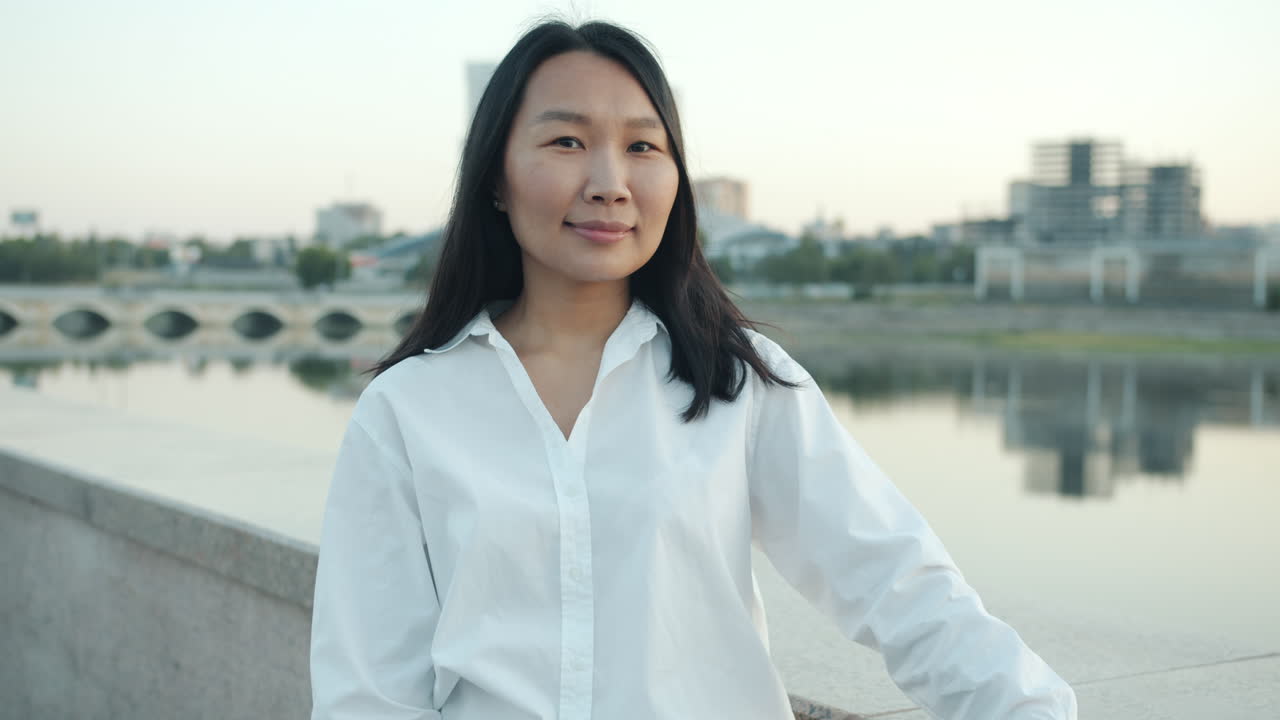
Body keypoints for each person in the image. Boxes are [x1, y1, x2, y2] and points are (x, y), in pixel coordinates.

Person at [309, 19, 1077, 720]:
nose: (610, 181)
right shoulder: (407, 410)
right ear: (495, 180)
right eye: (567, 142)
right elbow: (368, 693)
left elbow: (898, 583)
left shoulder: (738, 383)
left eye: (644, 146)